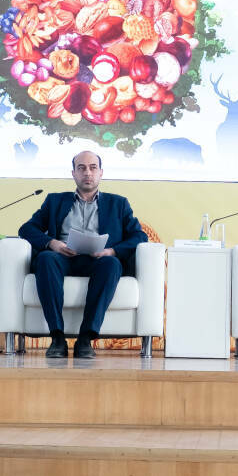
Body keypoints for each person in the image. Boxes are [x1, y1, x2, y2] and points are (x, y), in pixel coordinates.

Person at [18, 149, 146, 358]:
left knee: (112, 264)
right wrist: (52, 243)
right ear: (74, 173)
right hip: (63, 257)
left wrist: (112, 251)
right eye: (82, 168)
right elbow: (26, 229)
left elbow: (139, 236)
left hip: (98, 260)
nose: (88, 172)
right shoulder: (55, 201)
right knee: (45, 258)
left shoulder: (118, 203)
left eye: (93, 168)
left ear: (101, 173)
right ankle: (57, 337)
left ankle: (85, 338)